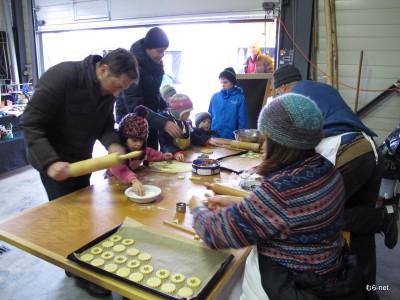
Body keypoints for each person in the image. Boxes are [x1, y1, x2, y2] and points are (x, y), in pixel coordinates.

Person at [190, 93, 366, 299]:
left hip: (291, 284)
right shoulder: (327, 170)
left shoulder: (281, 190)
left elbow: (217, 233)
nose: (263, 147)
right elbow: (297, 214)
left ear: (280, 143)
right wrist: (240, 202)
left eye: (266, 139)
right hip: (327, 273)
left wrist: (196, 207)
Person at [20, 48, 139, 298]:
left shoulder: (108, 89)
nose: (116, 93)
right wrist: (50, 161)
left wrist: (113, 143)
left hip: (80, 159)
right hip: (52, 160)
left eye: (121, 90)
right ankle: (78, 270)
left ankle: (84, 264)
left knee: (83, 213)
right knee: (67, 218)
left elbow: (105, 125)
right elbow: (29, 122)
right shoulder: (62, 77)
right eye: (116, 86)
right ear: (103, 69)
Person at [273, 64, 399, 300]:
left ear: (281, 87)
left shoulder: (291, 98)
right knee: (354, 219)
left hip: (348, 154)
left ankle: (384, 217)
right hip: (369, 149)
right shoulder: (318, 88)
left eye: (277, 91)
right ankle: (368, 290)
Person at [115, 27, 181, 150]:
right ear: (148, 48)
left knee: (152, 154)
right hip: (132, 123)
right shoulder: (132, 67)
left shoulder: (155, 63)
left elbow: (154, 91)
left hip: (150, 116)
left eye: (164, 51)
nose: (162, 55)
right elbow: (135, 106)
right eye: (159, 51)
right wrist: (163, 123)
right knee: (137, 157)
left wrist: (165, 105)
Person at [105, 105, 173, 196]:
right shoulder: (118, 152)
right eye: (134, 140)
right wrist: (133, 180)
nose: (138, 144)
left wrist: (162, 156)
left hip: (132, 182)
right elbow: (119, 168)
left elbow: (149, 153)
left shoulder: (140, 149)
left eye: (142, 140)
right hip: (115, 183)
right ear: (124, 138)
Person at [208, 67, 247, 139]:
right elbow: (209, 116)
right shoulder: (214, 97)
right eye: (221, 82)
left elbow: (242, 121)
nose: (223, 84)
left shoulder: (239, 98)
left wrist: (240, 137)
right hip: (214, 136)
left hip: (230, 137)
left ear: (232, 83)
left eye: (225, 82)